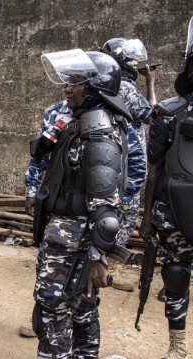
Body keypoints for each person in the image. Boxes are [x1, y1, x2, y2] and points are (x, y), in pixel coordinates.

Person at [30, 49, 131, 357]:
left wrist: (98, 259)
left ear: (95, 88)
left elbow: (106, 213)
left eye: (76, 82)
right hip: (67, 241)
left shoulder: (98, 135)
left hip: (74, 244)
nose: (67, 87)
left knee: (54, 312)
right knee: (80, 309)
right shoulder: (81, 125)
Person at [139, 18, 193, 359]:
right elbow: (153, 169)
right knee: (175, 276)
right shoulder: (168, 112)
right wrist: (146, 218)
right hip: (173, 211)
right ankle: (178, 345)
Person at [101, 37, 156, 292]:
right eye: (133, 60)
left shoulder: (106, 86)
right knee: (124, 217)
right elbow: (152, 116)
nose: (137, 64)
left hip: (109, 165)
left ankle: (101, 265)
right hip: (127, 170)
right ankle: (109, 271)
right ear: (122, 62)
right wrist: (151, 82)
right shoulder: (127, 88)